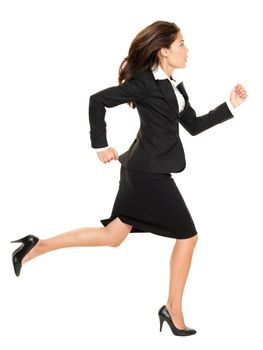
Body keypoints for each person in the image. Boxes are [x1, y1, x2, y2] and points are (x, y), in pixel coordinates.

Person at [11, 20, 247, 336]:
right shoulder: (144, 83)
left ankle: (36, 246)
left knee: (112, 237)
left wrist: (230, 104)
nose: (186, 49)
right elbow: (97, 100)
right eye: (181, 44)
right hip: (147, 174)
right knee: (188, 236)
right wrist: (99, 145)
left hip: (143, 169)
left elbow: (193, 125)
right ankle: (172, 309)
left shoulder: (174, 85)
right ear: (164, 51)